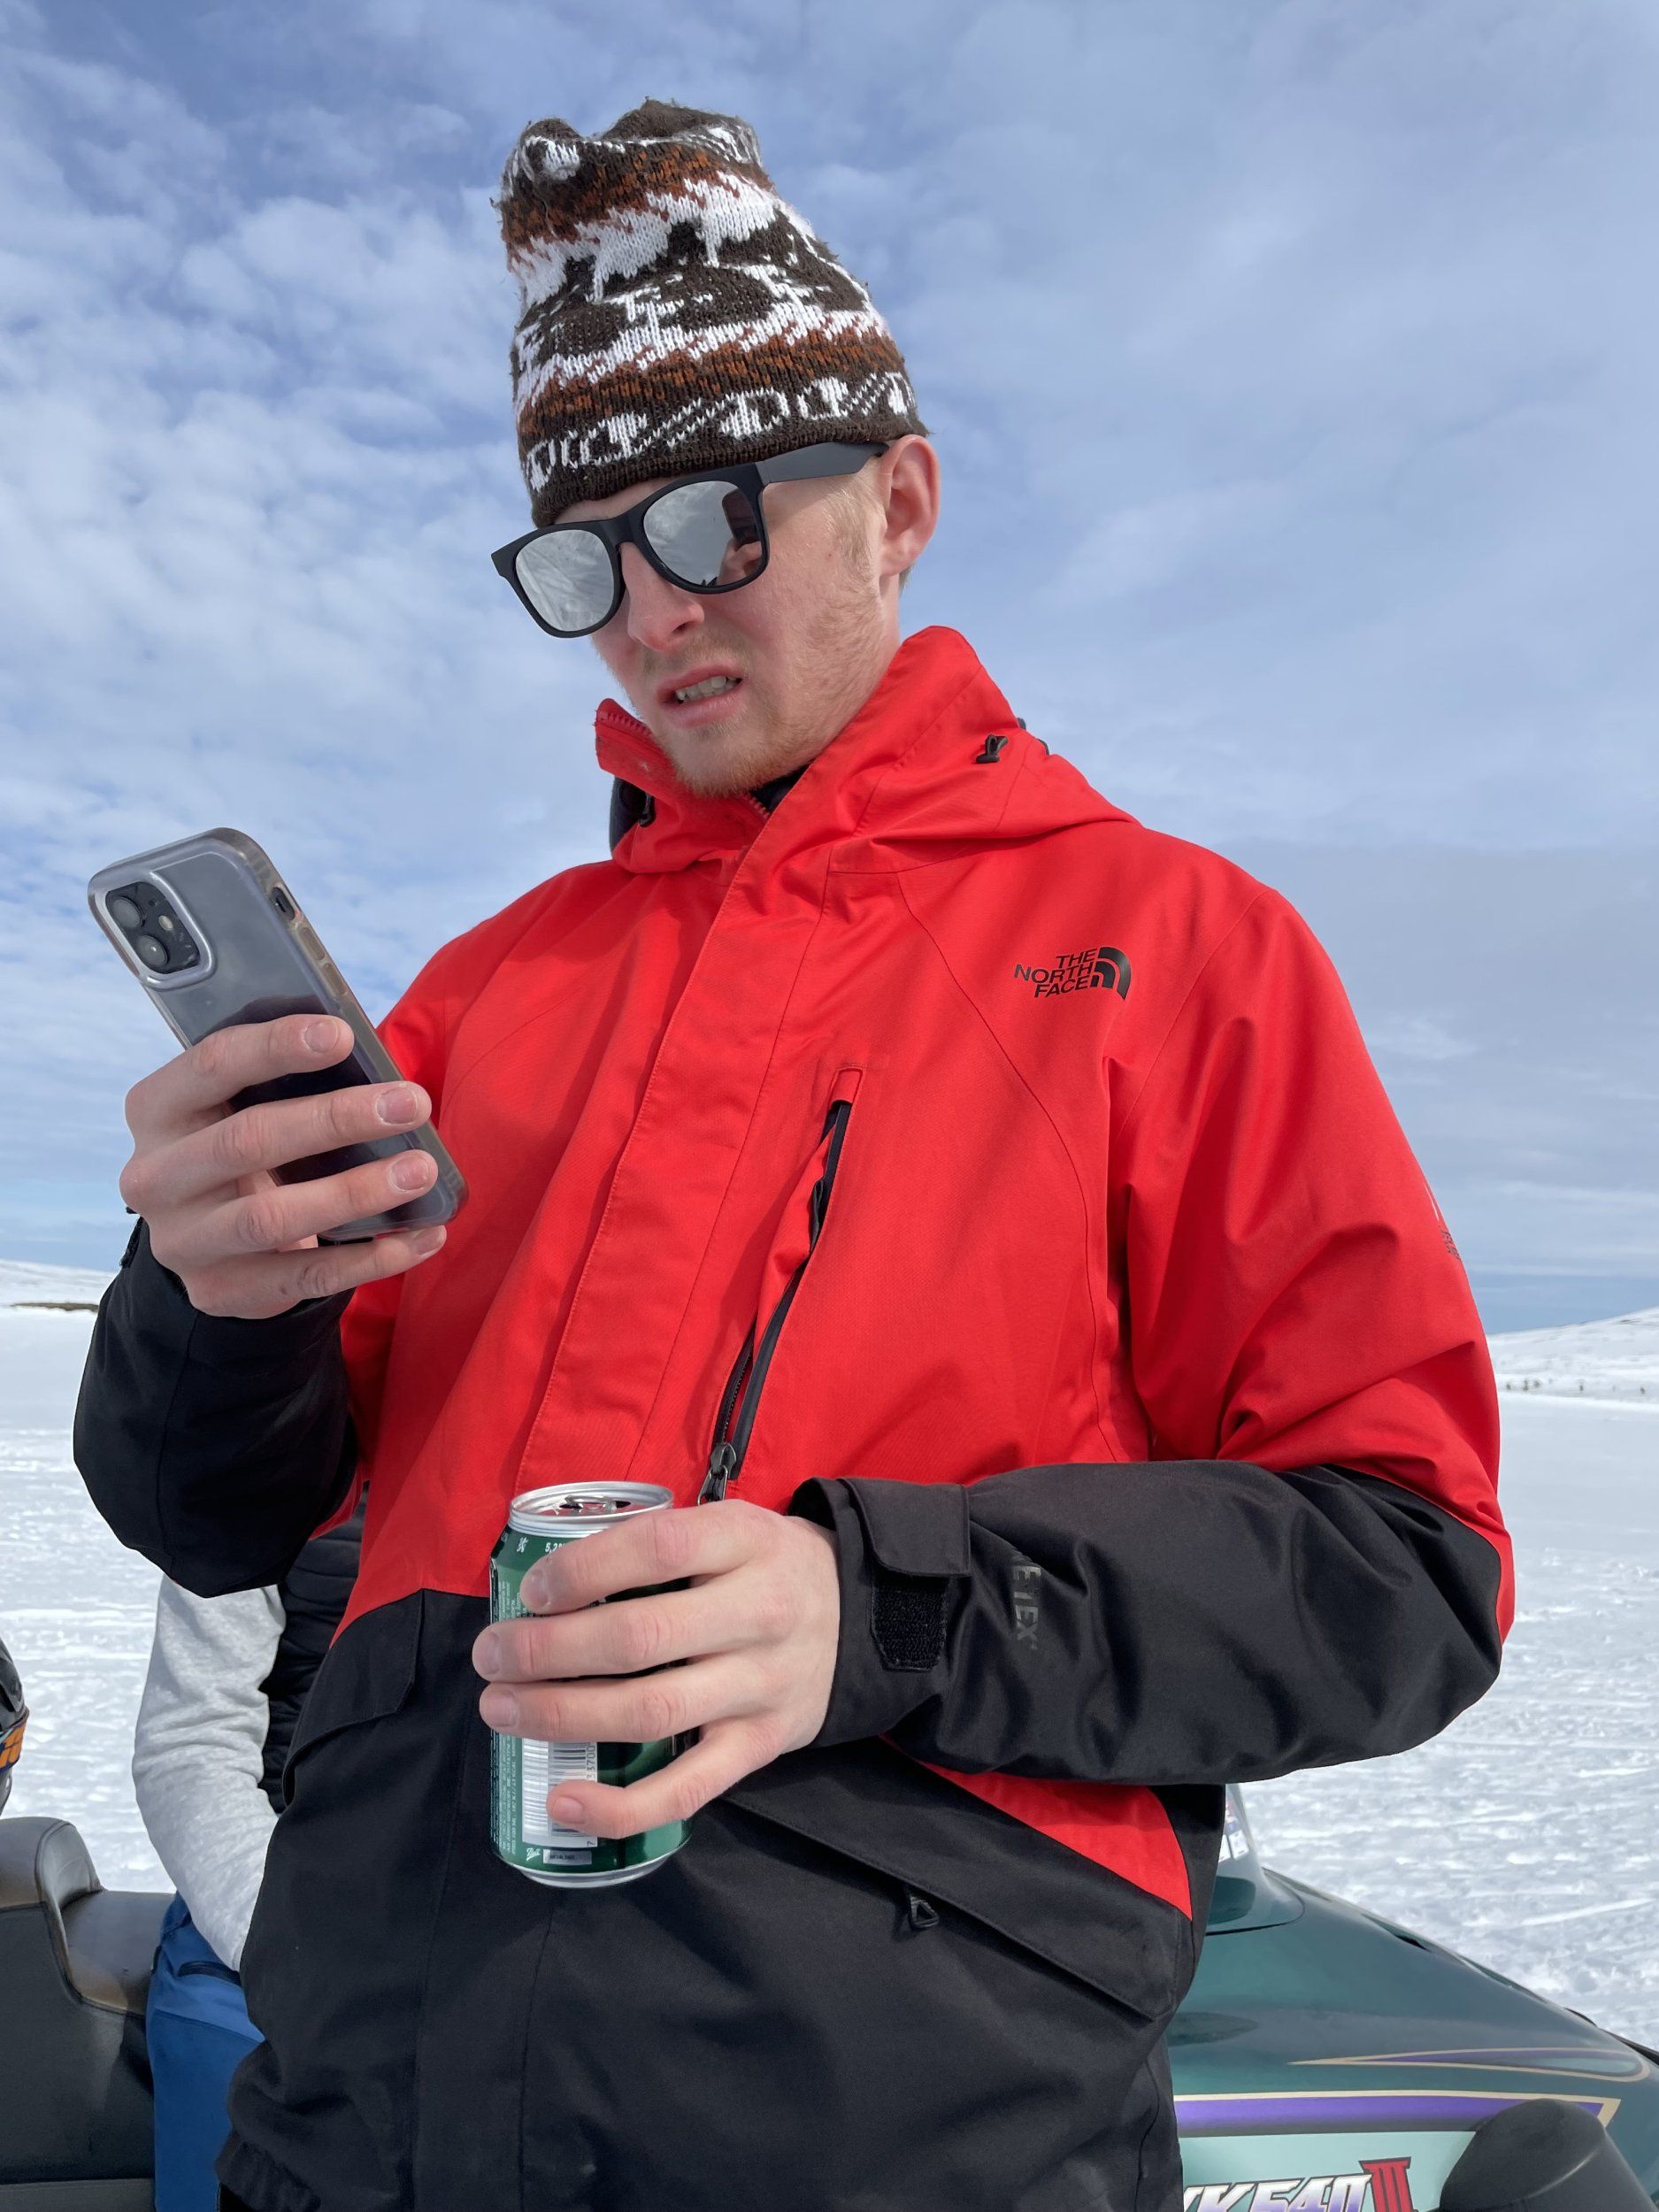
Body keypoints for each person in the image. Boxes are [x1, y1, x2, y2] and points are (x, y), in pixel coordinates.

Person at [74, 100, 1512, 2212]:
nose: (650, 613)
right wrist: (210, 1299)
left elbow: (1401, 1567)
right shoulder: (485, 988)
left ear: (896, 501)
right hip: (367, 2116)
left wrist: (871, 1609)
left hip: (901, 2140)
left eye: (711, 521)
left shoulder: (1172, 950)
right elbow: (207, 1509)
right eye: (585, 558)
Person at [134, 1501, 365, 2212]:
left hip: (513, 1914)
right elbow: (191, 1743)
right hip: (273, 1896)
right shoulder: (262, 1476)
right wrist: (285, 1941)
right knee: (229, 2062)